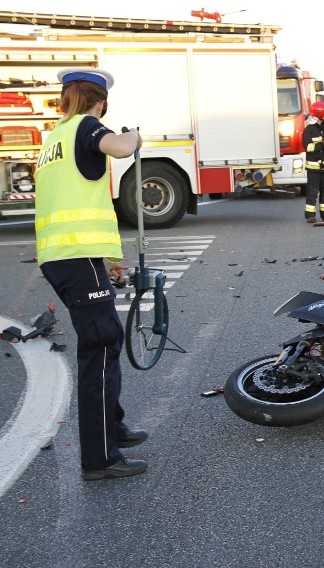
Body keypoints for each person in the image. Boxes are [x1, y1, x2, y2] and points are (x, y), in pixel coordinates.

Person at [34, 68, 148, 480]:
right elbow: (118, 148)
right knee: (99, 347)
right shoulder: (85, 126)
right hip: (74, 258)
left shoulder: (54, 139)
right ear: (99, 102)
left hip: (64, 257)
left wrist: (105, 261)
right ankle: (100, 458)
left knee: (106, 339)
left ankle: (113, 428)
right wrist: (134, 136)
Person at [302, 101, 324, 223]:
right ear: (319, 113)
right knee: (312, 192)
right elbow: (309, 148)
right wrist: (323, 144)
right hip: (314, 168)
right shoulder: (309, 130)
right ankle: (310, 216)